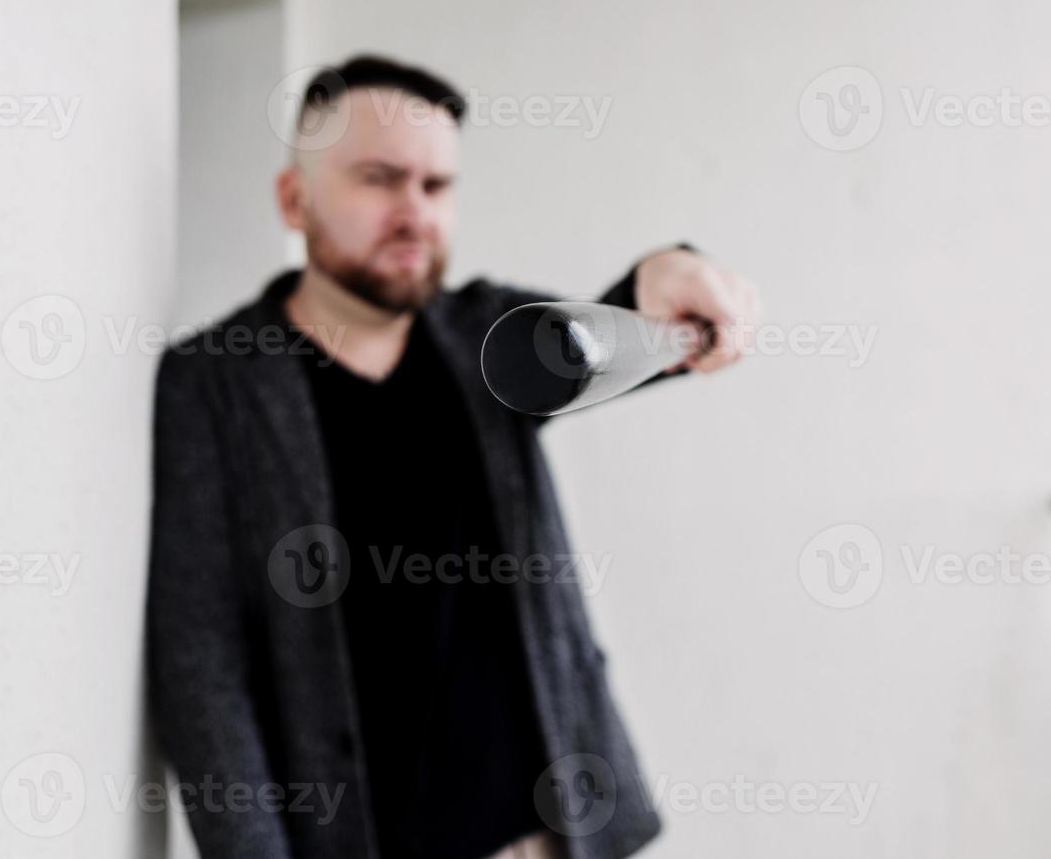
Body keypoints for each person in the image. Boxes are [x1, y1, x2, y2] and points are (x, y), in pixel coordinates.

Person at [145, 55, 760, 859]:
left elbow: (607, 329)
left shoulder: (486, 342)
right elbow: (200, 664)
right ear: (294, 199)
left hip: (548, 840)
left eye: (436, 187)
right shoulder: (217, 382)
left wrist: (666, 268)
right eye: (380, 179)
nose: (414, 213)